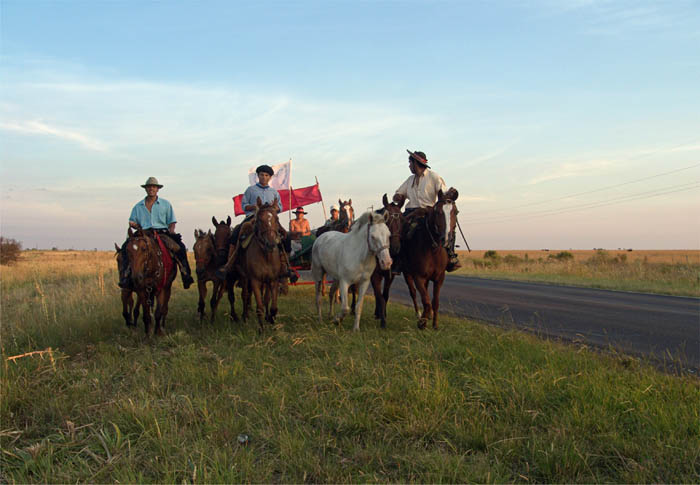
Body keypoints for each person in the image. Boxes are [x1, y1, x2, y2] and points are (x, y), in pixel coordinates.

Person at [218, 164, 297, 282]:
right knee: (235, 234)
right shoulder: (250, 190)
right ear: (258, 176)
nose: (264, 177)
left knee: (285, 237)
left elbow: (279, 207)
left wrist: (274, 208)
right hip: (252, 218)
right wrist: (254, 207)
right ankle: (229, 264)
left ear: (270, 177)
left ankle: (285, 266)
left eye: (266, 175)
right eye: (261, 175)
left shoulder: (274, 192)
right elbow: (244, 205)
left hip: (270, 219)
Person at [118, 177, 195, 289]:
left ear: (157, 189)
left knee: (180, 248)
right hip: (143, 232)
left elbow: (172, 221)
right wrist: (133, 224)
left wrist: (172, 231)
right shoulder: (138, 206)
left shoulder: (165, 204)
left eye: (154, 187)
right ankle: (126, 276)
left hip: (161, 232)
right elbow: (132, 221)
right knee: (125, 248)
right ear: (146, 189)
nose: (151, 189)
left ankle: (185, 274)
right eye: (149, 187)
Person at [393, 149, 461, 271]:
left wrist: (450, 193)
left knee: (447, 228)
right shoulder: (410, 180)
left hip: (427, 212)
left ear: (416, 163)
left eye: (410, 163)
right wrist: (397, 196)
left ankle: (450, 256)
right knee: (398, 231)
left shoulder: (434, 177)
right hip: (410, 212)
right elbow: (399, 193)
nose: (409, 166)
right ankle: (399, 260)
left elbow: (444, 192)